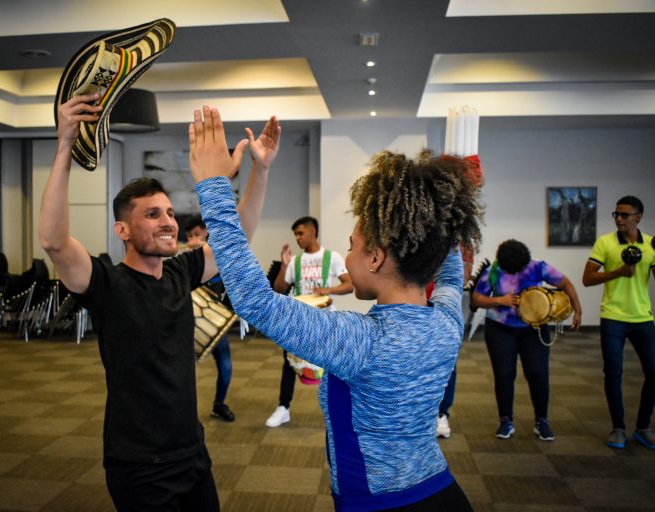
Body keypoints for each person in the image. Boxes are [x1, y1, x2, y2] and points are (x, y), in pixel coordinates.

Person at [190, 105, 480, 511]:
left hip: (378, 505)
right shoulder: (448, 319)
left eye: (353, 246)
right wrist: (447, 206)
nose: (347, 256)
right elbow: (450, 274)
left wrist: (214, 186)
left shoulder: (362, 342)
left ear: (376, 258)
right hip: (444, 493)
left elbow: (256, 301)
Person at [39, 94, 280, 511]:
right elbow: (54, 241)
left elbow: (236, 235)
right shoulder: (106, 283)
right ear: (123, 230)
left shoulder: (180, 273)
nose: (169, 221)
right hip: (139, 465)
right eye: (152, 215)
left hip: (191, 452)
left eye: (169, 212)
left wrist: (260, 169)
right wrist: (64, 146)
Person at [471, 239, 582, 442]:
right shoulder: (495, 270)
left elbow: (566, 283)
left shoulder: (537, 267)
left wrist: (578, 310)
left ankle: (542, 421)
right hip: (500, 329)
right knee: (504, 374)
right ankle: (506, 420)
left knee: (538, 374)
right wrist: (499, 300)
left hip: (534, 328)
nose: (513, 274)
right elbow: (476, 299)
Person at [582, 195, 655, 450]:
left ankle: (643, 427)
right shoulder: (605, 243)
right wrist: (619, 272)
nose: (620, 219)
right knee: (613, 374)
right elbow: (588, 279)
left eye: (625, 215)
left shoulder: (650, 244)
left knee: (653, 372)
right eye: (616, 214)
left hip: (643, 318)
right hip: (613, 317)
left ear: (638, 217)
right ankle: (618, 428)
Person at [266, 216, 353, 427]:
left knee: (332, 364)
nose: (297, 238)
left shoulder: (332, 257)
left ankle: (337, 409)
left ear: (313, 232)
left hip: (325, 321)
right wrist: (284, 266)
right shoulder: (295, 261)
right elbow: (279, 289)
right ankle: (283, 408)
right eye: (295, 234)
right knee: (288, 363)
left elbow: (349, 284)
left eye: (300, 233)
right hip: (298, 320)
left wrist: (328, 290)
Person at [184, 214, 236, 422]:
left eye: (197, 234)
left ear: (206, 234)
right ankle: (184, 413)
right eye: (189, 236)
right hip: (186, 327)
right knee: (184, 374)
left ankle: (219, 404)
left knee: (226, 367)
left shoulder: (217, 258)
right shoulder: (183, 261)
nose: (193, 240)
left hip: (212, 324)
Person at [435, 243, 475, 439]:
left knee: (448, 367)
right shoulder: (413, 234)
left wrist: (466, 258)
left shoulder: (459, 244)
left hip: (444, 312)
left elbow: (463, 280)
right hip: (414, 307)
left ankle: (442, 414)